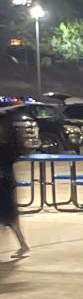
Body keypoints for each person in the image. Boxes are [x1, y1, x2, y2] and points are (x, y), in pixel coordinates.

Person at [0, 109, 29, 260]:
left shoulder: (6, 144)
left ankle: (23, 244)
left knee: (9, 216)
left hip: (4, 182)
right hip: (6, 181)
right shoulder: (9, 142)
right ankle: (23, 244)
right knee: (9, 217)